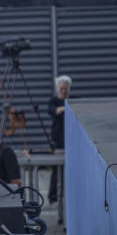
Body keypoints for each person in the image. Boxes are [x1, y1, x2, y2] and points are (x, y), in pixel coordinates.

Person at [47, 75, 70, 203]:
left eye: (65, 89)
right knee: (56, 170)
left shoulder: (72, 101)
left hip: (71, 140)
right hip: (58, 140)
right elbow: (53, 110)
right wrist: (63, 109)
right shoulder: (53, 101)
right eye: (61, 89)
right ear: (57, 89)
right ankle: (53, 196)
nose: (63, 91)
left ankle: (68, 194)